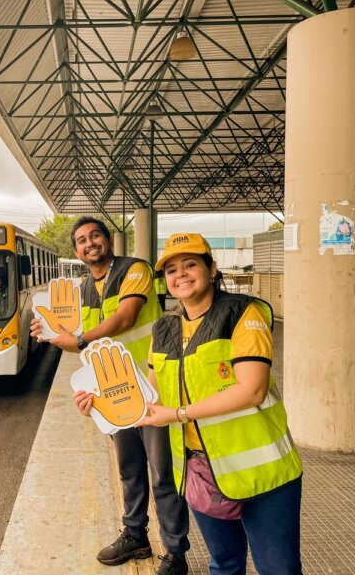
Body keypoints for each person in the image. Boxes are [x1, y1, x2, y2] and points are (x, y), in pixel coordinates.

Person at [136, 233, 303, 575]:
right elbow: (153, 397)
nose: (180, 274)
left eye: (190, 264)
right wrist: (103, 405)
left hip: (263, 471)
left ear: (211, 269)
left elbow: (252, 390)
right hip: (201, 470)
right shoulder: (163, 328)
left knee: (278, 569)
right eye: (171, 270)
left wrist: (179, 414)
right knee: (224, 564)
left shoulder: (243, 312)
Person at [31, 217, 190, 575]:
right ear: (76, 251)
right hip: (114, 392)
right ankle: (136, 535)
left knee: (162, 474)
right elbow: (77, 340)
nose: (90, 243)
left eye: (95, 236)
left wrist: (76, 339)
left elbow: (125, 318)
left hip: (153, 388)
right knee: (129, 469)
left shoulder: (135, 270)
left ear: (108, 240)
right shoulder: (84, 288)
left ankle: (176, 553)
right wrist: (50, 332)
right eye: (82, 240)